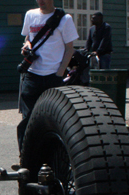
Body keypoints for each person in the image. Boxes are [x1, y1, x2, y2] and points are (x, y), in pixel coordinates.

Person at [17, 0, 78, 150]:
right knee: (28, 119)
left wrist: (60, 72)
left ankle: (53, 157)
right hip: (32, 75)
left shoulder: (64, 19)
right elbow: (28, 38)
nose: (41, 1)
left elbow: (69, 49)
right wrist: (27, 46)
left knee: (55, 119)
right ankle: (25, 158)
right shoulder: (30, 15)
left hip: (53, 75)